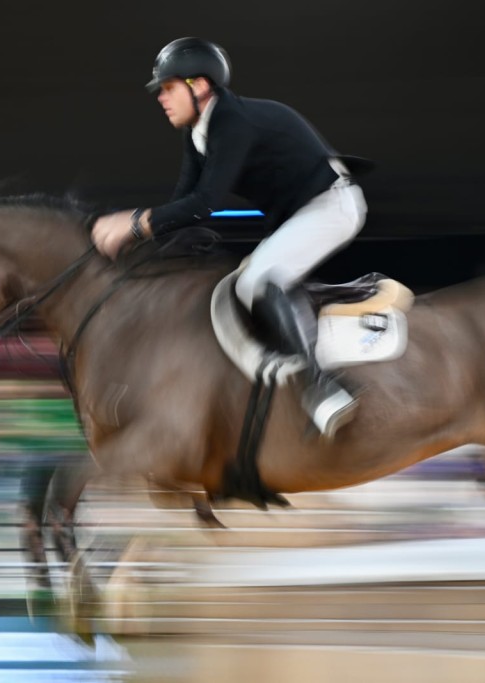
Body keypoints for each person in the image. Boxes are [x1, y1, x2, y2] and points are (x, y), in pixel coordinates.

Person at [91, 36, 368, 439]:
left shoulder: (230, 121)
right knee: (245, 283)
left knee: (257, 280)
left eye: (168, 88)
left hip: (332, 205)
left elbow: (204, 203)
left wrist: (133, 224)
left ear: (199, 86)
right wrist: (133, 250)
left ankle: (323, 388)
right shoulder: (197, 134)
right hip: (300, 212)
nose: (161, 98)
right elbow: (182, 204)